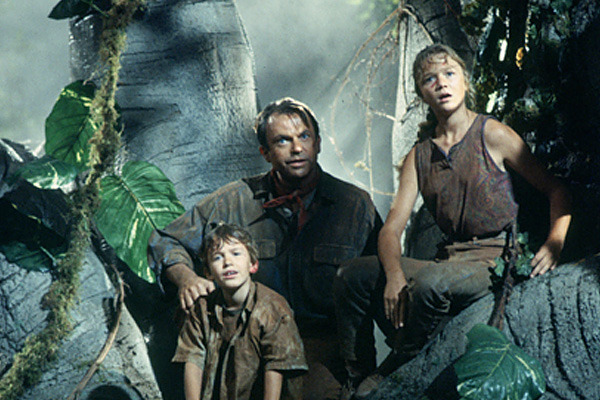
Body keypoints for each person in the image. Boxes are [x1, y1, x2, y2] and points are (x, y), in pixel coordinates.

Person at [333, 43, 572, 397]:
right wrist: (394, 274)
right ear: (421, 93)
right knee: (352, 275)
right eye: (430, 79)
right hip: (447, 261)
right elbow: (391, 228)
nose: (442, 83)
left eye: (449, 73)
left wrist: (554, 243)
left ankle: (401, 364)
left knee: (432, 283)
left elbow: (557, 190)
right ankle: (357, 374)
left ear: (464, 81)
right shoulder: (419, 156)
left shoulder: (492, 133)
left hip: (493, 261)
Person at [148, 97, 382, 400]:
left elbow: (383, 280)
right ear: (265, 153)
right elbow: (166, 240)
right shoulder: (234, 201)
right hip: (247, 343)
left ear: (318, 144)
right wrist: (187, 279)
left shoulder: (354, 205)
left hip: (323, 349)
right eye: (282, 141)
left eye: (304, 137)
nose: (296, 148)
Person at [172, 223, 307, 400]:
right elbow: (192, 359)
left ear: (253, 265)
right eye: (218, 257)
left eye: (236, 254)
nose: (228, 262)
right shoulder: (202, 309)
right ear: (208, 273)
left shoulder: (272, 307)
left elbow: (275, 366)